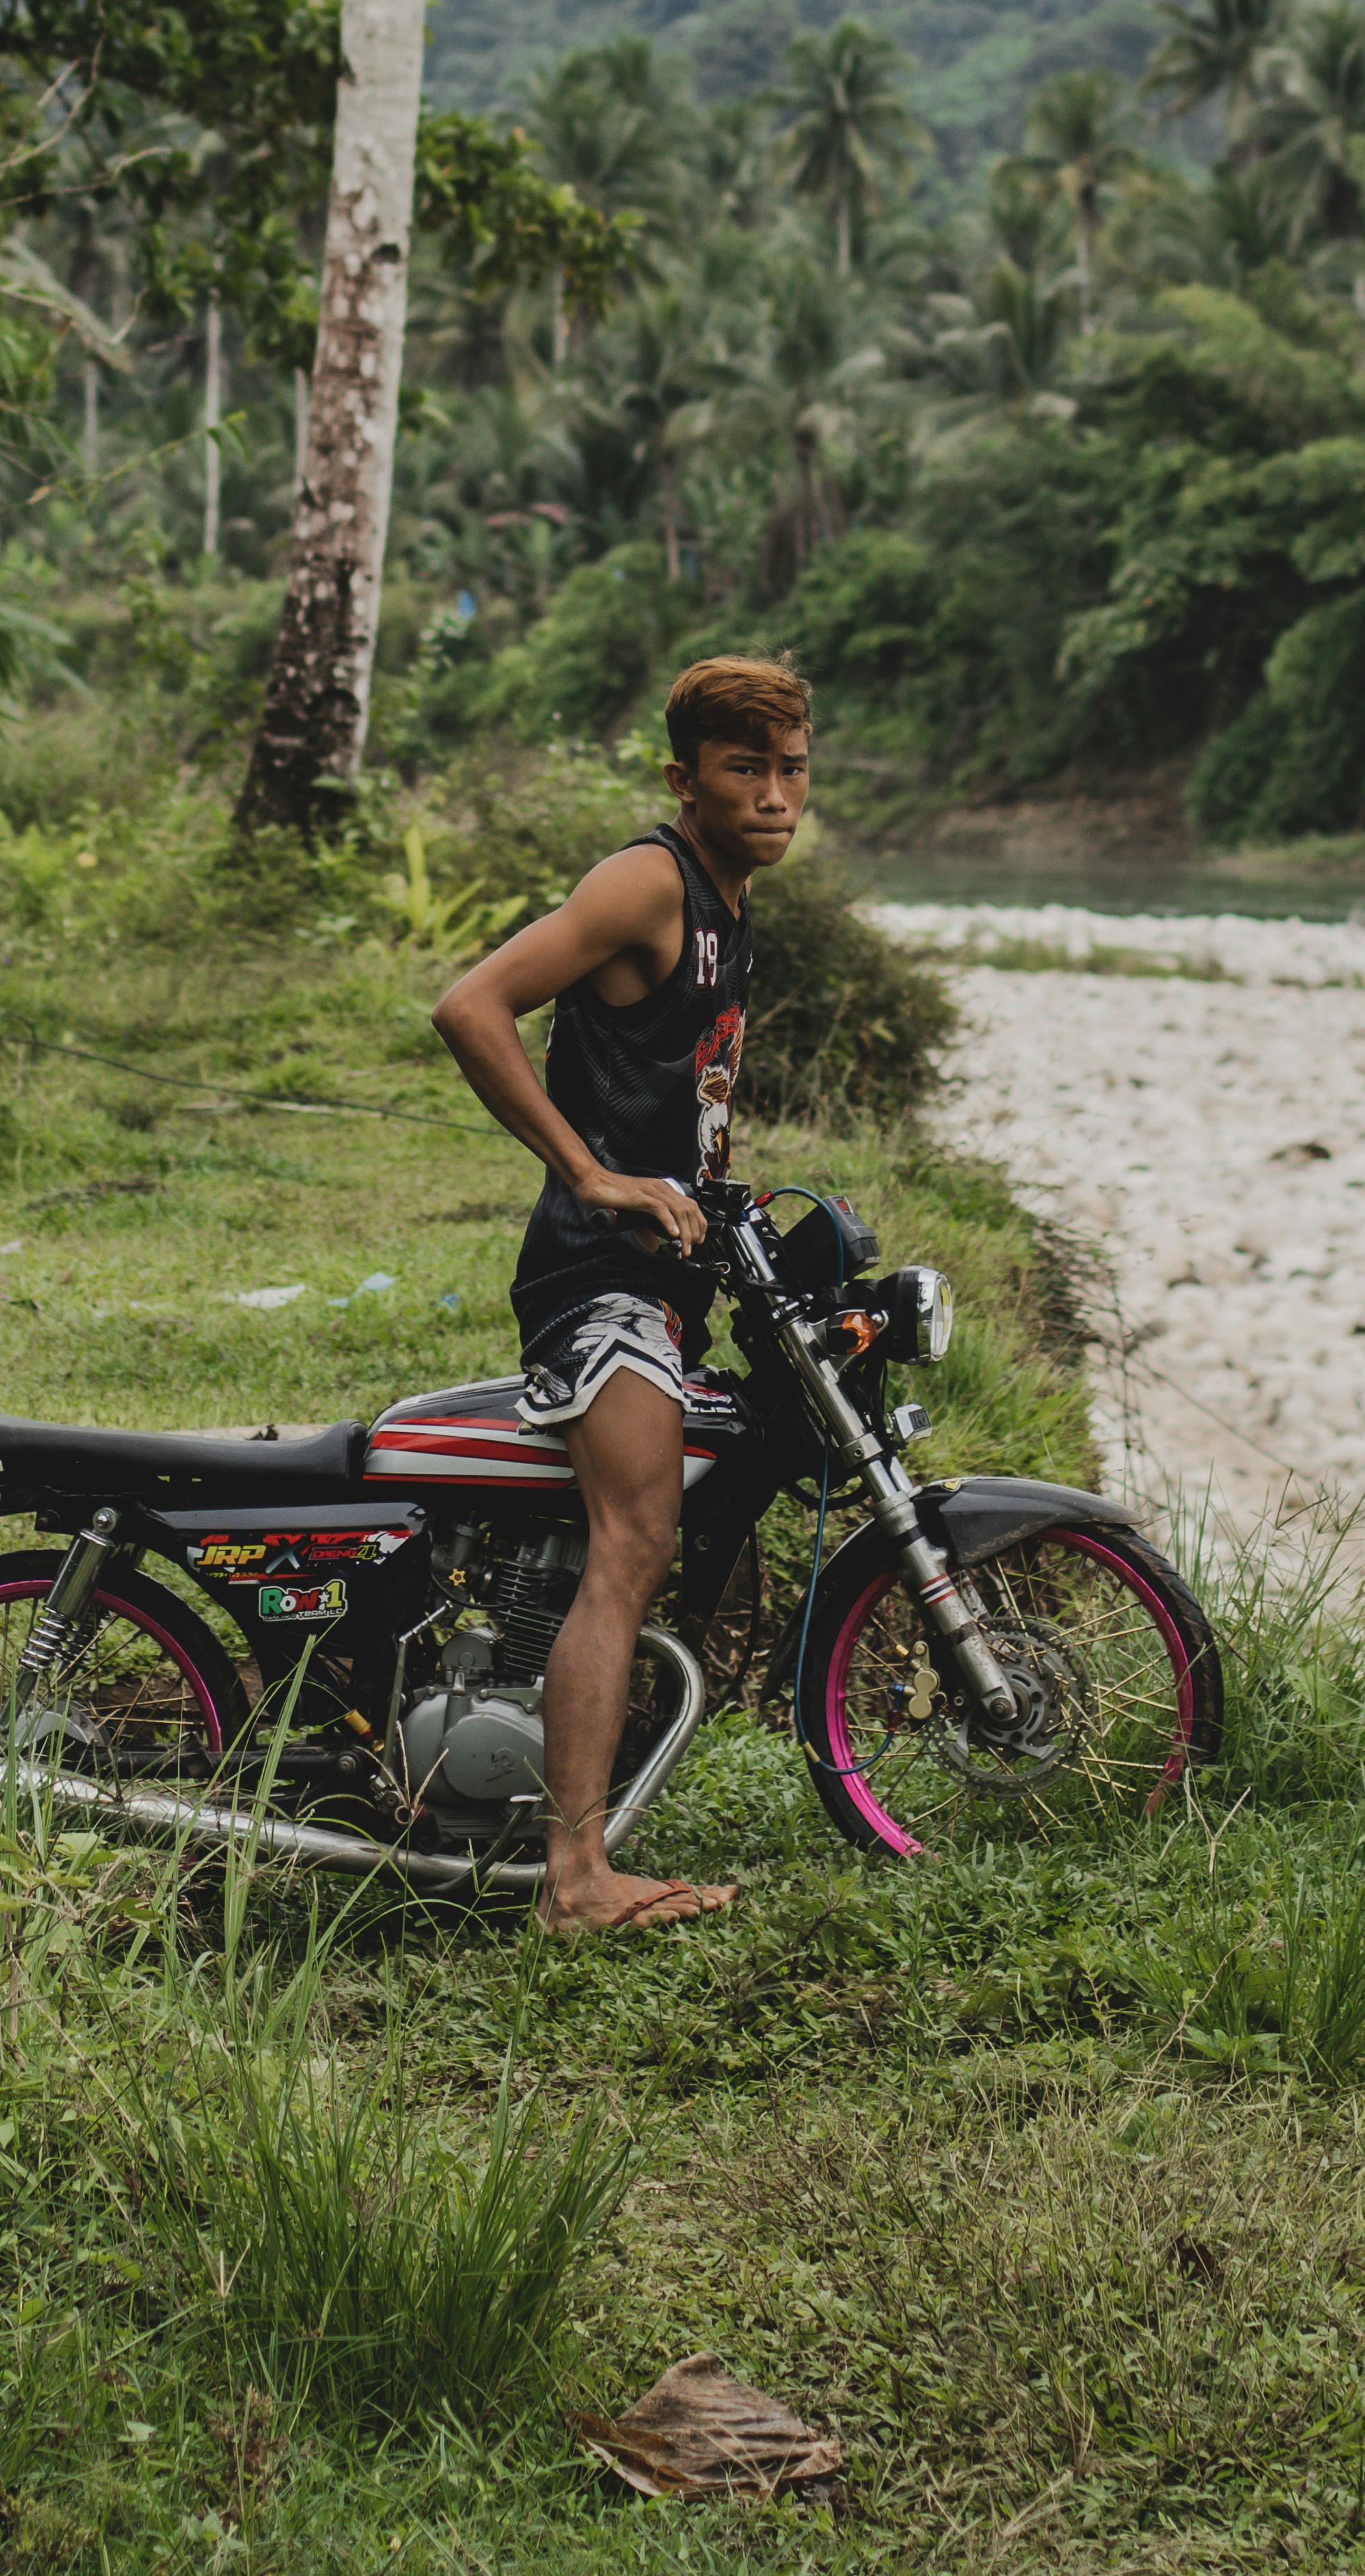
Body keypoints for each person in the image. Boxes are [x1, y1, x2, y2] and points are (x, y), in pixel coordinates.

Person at [429, 653, 811, 1933]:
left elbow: (668, 1087)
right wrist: (592, 1173)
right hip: (598, 1282)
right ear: (685, 777)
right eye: (744, 768)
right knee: (633, 1538)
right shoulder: (650, 880)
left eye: (791, 768)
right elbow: (471, 1007)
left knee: (649, 1529)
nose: (773, 794)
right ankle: (575, 1880)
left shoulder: (731, 900)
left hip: (662, 1280)